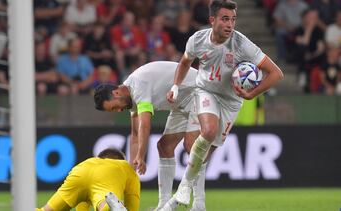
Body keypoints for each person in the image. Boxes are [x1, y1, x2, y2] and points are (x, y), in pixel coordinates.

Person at [164, 0, 284, 209]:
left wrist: (251, 94)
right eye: (225, 19)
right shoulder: (198, 39)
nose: (230, 24)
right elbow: (185, 62)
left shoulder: (241, 44)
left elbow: (276, 74)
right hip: (205, 91)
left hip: (231, 102)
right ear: (212, 20)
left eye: (233, 19)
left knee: (203, 152)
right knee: (206, 133)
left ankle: (197, 203)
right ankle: (184, 188)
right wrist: (175, 85)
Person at [94, 61, 216, 210]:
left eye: (114, 107)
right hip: (181, 102)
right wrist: (133, 168)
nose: (118, 111)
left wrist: (141, 155)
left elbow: (145, 125)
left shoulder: (138, 86)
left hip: (198, 92)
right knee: (164, 146)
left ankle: (199, 205)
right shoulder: (129, 97)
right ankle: (164, 204)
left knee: (191, 146)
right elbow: (135, 134)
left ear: (116, 93)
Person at [36, 148, 140, 211]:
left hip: (80, 171)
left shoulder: (91, 162)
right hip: (107, 175)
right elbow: (132, 205)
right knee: (104, 202)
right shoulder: (126, 168)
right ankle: (108, 206)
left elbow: (82, 207)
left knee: (47, 210)